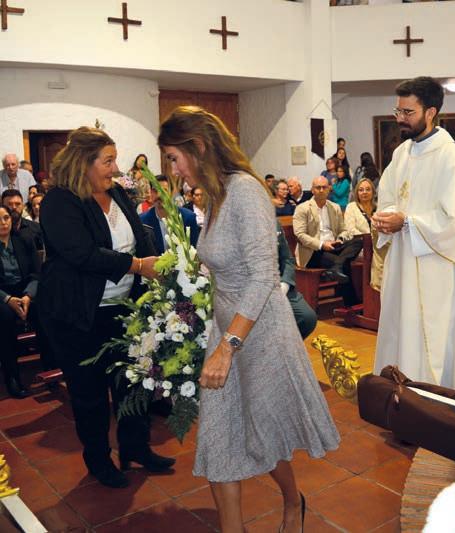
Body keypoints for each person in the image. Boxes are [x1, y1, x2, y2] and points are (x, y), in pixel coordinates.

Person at [159, 106, 339, 533]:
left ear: (198, 147)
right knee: (219, 437)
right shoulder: (215, 195)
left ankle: (293, 501)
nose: (173, 170)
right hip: (226, 328)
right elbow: (221, 263)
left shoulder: (245, 191)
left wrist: (227, 348)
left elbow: (263, 276)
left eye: (174, 158)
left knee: (265, 435)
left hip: (260, 334)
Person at [38, 127, 175, 489]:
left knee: (133, 384)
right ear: (83, 162)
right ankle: (98, 459)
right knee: (91, 394)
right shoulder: (60, 201)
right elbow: (82, 253)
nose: (116, 168)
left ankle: (135, 447)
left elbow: (141, 235)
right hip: (79, 314)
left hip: (125, 309)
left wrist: (157, 266)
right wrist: (138, 266)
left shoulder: (116, 193)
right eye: (108, 161)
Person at [372, 76, 455, 396]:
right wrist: (385, 217)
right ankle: (398, 393)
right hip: (403, 260)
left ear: (430, 112)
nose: (400, 119)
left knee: (433, 335)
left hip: (436, 266)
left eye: (408, 112)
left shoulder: (451, 157)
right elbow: (388, 196)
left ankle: (434, 396)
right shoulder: (401, 154)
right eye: (398, 111)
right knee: (400, 326)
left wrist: (408, 222)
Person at [293, 176, 363, 305]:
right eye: (318, 187)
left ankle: (337, 267)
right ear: (312, 190)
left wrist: (340, 239)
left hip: (334, 246)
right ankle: (351, 304)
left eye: (324, 187)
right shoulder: (302, 208)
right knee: (343, 263)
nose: (321, 190)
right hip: (313, 251)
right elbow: (300, 235)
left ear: (329, 189)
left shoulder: (334, 207)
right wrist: (322, 244)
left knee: (358, 241)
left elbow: (343, 230)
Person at [0, 205, 41, 398]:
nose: (3, 223)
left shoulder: (23, 240)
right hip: (2, 295)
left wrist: (28, 296)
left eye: (6, 218)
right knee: (5, 317)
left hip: (25, 292)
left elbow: (36, 273)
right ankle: (12, 377)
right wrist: (7, 299)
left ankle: (51, 366)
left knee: (45, 310)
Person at [140, 175, 200, 254]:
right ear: (151, 193)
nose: (159, 195)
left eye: (164, 190)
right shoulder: (143, 221)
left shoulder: (188, 218)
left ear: (171, 193)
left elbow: (194, 250)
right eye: (155, 191)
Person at [277, 222, 317, 339]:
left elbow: (288, 259)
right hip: (252, 287)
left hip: (279, 284)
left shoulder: (274, 222)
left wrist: (284, 285)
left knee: (307, 318)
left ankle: (286, 347)